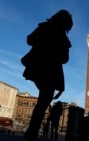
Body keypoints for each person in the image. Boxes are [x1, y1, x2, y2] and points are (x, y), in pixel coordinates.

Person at [21, 9, 73, 141]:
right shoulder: (62, 37)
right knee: (44, 100)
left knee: (43, 100)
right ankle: (31, 133)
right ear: (65, 24)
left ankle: (31, 132)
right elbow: (65, 59)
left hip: (39, 67)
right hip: (49, 71)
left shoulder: (45, 27)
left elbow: (29, 39)